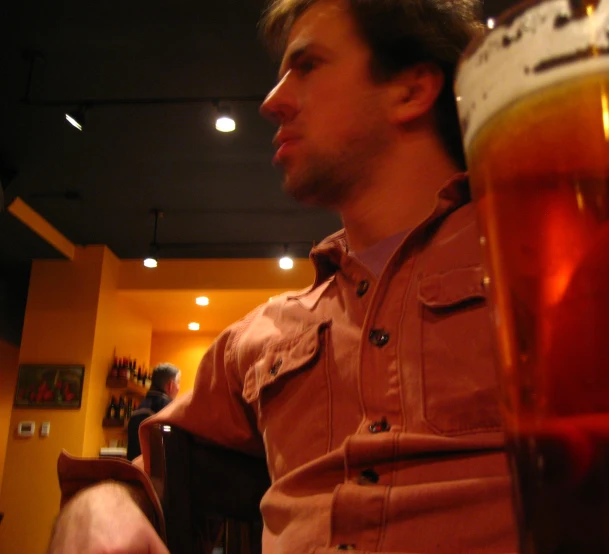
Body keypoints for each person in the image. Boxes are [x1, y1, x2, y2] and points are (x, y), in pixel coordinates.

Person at [46, 1, 516, 552]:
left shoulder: (539, 261)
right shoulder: (263, 334)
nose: (272, 101)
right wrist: (94, 507)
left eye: (309, 65)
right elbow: (151, 456)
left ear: (410, 90)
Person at [126, 363, 181, 461]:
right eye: (178, 382)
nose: (179, 388)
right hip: (155, 473)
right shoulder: (169, 409)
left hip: (135, 470)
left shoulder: (138, 408)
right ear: (171, 385)